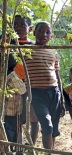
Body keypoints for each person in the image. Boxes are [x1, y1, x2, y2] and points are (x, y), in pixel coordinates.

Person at [24, 21, 64, 155]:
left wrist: (62, 99)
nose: (44, 35)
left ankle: (49, 153)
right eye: (40, 31)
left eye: (47, 32)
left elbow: (57, 75)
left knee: (53, 127)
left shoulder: (53, 52)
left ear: (51, 35)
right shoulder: (26, 50)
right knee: (47, 124)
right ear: (34, 32)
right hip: (36, 93)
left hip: (54, 92)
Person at [12, 15, 39, 146]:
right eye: (15, 25)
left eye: (22, 25)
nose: (19, 28)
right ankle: (19, 146)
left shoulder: (34, 46)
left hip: (31, 85)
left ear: (30, 28)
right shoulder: (9, 45)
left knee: (33, 117)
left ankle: (31, 146)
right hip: (13, 86)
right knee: (17, 117)